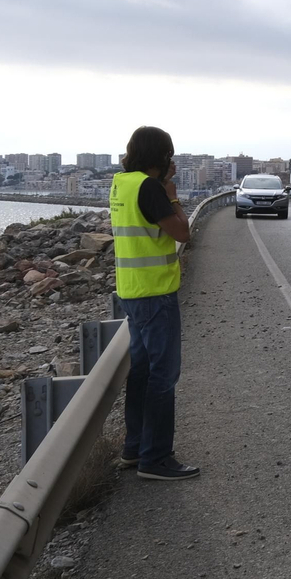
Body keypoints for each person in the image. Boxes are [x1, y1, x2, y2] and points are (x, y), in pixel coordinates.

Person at [109, 126, 199, 481]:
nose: (172, 162)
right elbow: (182, 232)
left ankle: (134, 449)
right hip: (156, 293)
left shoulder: (121, 183)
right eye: (169, 155)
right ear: (161, 156)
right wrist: (172, 196)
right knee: (163, 375)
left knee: (142, 373)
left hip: (130, 291)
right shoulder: (150, 188)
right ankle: (156, 458)